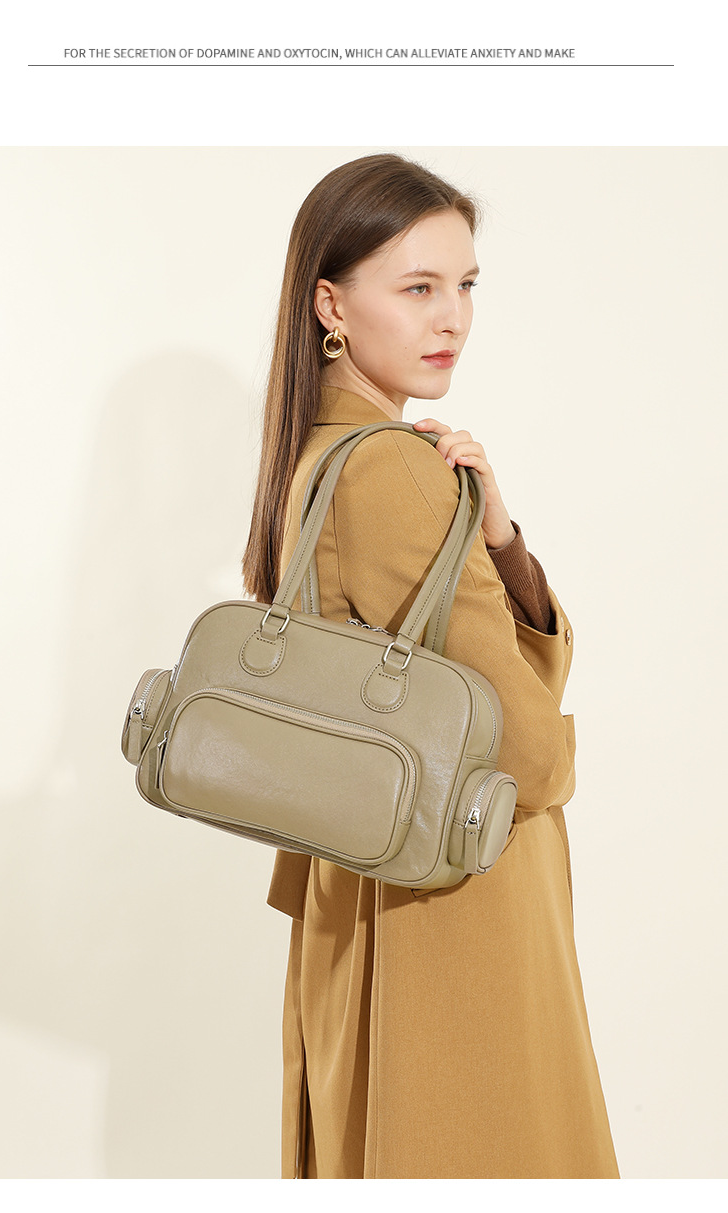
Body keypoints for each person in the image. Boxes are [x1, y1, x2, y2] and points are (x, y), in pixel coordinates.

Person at [241, 152, 620, 1180]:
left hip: (367, 886)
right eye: (417, 288)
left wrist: (495, 539)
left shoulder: (313, 458)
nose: (453, 317)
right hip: (449, 908)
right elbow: (528, 757)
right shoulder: (395, 473)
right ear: (331, 303)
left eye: (465, 285)